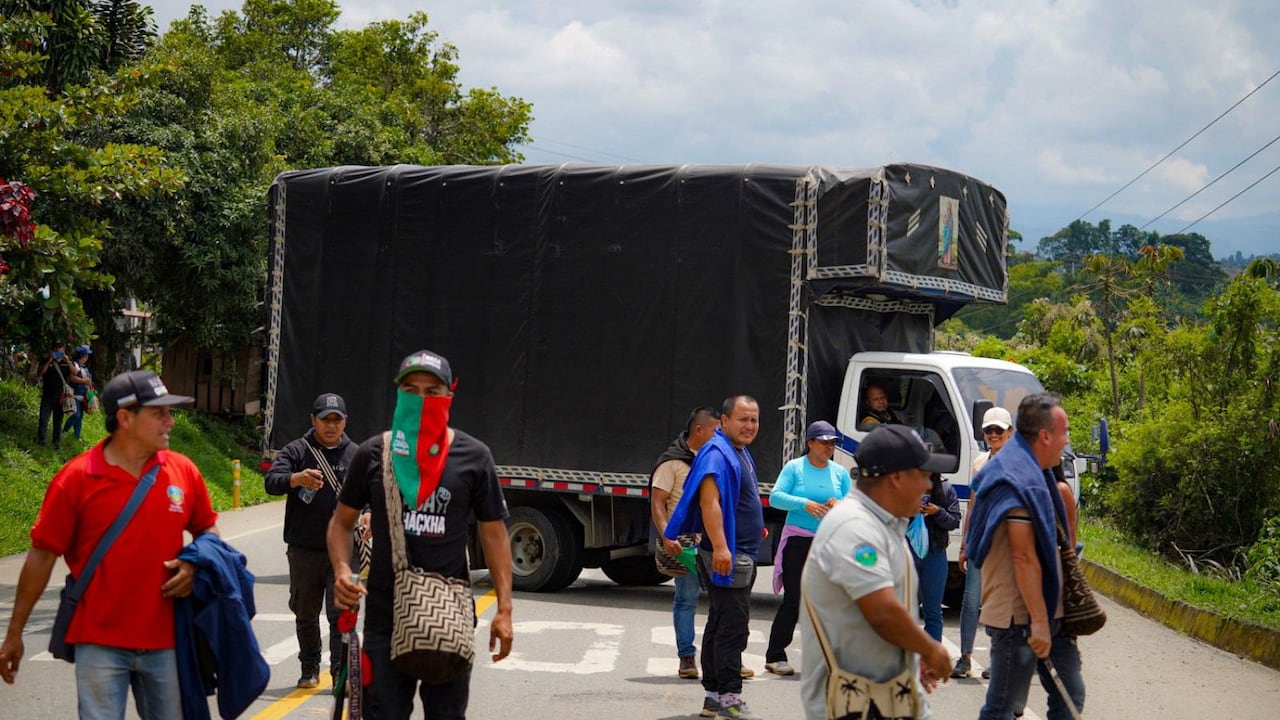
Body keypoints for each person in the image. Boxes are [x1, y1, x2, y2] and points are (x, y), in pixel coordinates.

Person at [0, 370, 220, 719]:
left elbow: (207, 529)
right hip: (99, 642)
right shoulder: (76, 479)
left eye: (170, 412)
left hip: (167, 639)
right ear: (125, 418)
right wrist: (14, 634)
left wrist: (197, 562)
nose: (170, 421)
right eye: (159, 413)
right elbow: (41, 557)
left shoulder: (183, 471)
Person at [327, 349, 514, 719]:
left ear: (449, 397)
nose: (421, 399)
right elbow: (341, 523)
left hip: (448, 617)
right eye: (411, 390)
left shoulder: (474, 457)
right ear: (398, 394)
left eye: (432, 391)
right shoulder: (373, 454)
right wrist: (342, 571)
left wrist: (504, 610)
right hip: (384, 619)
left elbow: (494, 534)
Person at [799, 424, 953, 720]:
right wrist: (931, 650)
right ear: (896, 478)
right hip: (855, 706)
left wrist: (910, 655)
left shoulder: (886, 523)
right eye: (923, 475)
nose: (928, 486)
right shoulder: (855, 527)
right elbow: (882, 612)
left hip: (886, 701)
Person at [967, 393, 1086, 720]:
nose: (1067, 441)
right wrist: (1039, 623)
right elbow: (1023, 558)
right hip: (1019, 615)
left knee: (1070, 697)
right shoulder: (1019, 480)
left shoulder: (1034, 472)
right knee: (1003, 707)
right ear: (1045, 436)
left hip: (1046, 608)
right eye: (1064, 433)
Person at [664, 395, 766, 720]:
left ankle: (713, 696)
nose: (749, 426)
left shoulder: (736, 450)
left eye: (754, 419)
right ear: (724, 421)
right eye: (743, 419)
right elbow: (710, 502)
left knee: (720, 622)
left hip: (739, 550)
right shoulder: (717, 453)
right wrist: (722, 547)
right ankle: (730, 697)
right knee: (732, 628)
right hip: (728, 555)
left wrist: (753, 526)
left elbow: (738, 498)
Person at [264, 392, 358, 688]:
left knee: (340, 613)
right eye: (325, 420)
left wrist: (368, 516)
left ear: (345, 422)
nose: (331, 426)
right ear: (313, 420)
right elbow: (271, 482)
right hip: (304, 549)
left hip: (343, 552)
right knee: (305, 612)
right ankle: (309, 668)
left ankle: (340, 673)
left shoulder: (356, 454)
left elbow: (370, 494)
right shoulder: (296, 451)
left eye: (336, 420)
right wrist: (296, 479)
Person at [762, 420, 852, 677]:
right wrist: (804, 504)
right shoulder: (795, 468)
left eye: (832, 443)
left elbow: (853, 504)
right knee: (794, 599)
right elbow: (775, 497)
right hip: (798, 542)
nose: (829, 447)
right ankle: (775, 655)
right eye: (823, 442)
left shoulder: (839, 472)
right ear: (810, 443)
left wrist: (840, 504)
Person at [650, 406, 722, 680]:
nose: (720, 435)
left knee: (723, 601)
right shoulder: (672, 462)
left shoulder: (713, 458)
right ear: (699, 430)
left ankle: (726, 657)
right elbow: (657, 502)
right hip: (685, 543)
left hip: (713, 540)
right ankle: (687, 657)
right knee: (687, 599)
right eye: (715, 430)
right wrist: (667, 535)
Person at [953, 406, 1013, 678]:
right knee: (970, 599)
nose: (993, 434)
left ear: (1010, 432)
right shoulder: (980, 462)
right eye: (989, 430)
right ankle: (965, 658)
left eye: (999, 430)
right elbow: (973, 504)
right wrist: (964, 544)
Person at [915, 469, 960, 642]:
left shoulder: (946, 488)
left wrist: (937, 511)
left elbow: (954, 521)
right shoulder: (907, 484)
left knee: (933, 610)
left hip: (935, 552)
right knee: (904, 606)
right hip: (909, 551)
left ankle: (932, 653)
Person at [35, 340, 74, 449]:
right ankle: (41, 440)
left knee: (58, 421)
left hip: (61, 397)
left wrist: (68, 361)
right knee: (43, 418)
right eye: (55, 347)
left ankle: (56, 443)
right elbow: (40, 373)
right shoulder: (46, 360)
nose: (57, 349)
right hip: (47, 395)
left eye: (60, 347)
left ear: (63, 349)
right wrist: (49, 360)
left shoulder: (66, 362)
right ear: (52, 349)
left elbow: (75, 373)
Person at [61, 345, 93, 442]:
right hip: (75, 394)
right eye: (86, 355)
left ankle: (77, 436)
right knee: (76, 415)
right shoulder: (75, 365)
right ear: (82, 356)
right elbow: (71, 378)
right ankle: (65, 431)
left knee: (79, 418)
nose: (87, 357)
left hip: (83, 396)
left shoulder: (85, 367)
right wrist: (83, 380)